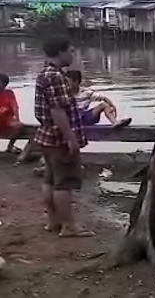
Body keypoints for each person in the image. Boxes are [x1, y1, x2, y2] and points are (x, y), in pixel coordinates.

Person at [34, 37, 94, 237]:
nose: (72, 54)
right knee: (64, 182)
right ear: (60, 52)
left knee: (50, 179)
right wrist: (71, 139)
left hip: (46, 136)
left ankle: (53, 221)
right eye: (70, 50)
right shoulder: (56, 77)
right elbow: (58, 111)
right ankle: (69, 226)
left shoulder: (45, 73)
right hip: (59, 137)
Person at [64, 70, 132, 128]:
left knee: (104, 105)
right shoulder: (64, 93)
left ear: (76, 82)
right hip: (72, 119)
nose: (66, 84)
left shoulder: (86, 93)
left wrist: (112, 106)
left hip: (84, 118)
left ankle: (114, 122)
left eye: (68, 82)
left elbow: (104, 98)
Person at [0, 73, 23, 154]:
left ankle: (10, 146)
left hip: (7, 119)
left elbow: (15, 107)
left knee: (19, 126)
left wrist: (17, 119)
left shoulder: (9, 93)